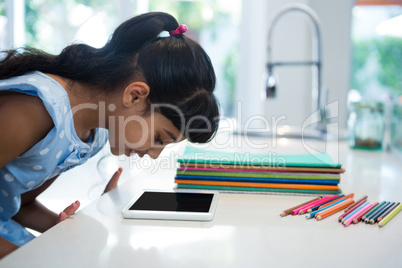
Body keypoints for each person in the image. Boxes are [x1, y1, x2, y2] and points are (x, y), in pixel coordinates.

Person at [0, 12, 219, 258]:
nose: (155, 155)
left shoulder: (91, 136)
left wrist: (77, 228)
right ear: (135, 95)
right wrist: (34, 260)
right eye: (160, 138)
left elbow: (20, 207)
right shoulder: (35, 111)